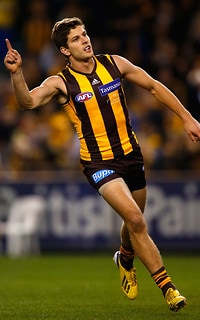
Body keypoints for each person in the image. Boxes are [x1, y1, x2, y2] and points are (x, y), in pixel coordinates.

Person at [4, 17, 200, 312]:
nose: (85, 40)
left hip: (132, 155)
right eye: (76, 39)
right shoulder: (61, 82)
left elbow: (154, 86)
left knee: (132, 222)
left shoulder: (114, 63)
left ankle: (125, 257)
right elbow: (28, 103)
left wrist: (187, 117)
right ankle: (168, 288)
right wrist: (17, 74)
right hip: (98, 162)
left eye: (85, 34)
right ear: (65, 50)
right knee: (136, 220)